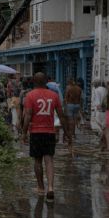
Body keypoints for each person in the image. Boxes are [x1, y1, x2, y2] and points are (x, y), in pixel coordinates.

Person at [22, 72, 66, 202]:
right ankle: (51, 188)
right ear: (46, 81)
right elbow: (61, 115)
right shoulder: (54, 95)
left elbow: (28, 116)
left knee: (37, 161)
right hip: (49, 132)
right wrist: (68, 134)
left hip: (35, 132)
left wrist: (24, 133)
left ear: (34, 82)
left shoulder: (30, 96)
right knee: (49, 160)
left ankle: (41, 188)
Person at [64, 78, 82, 154]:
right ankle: (73, 133)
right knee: (74, 120)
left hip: (70, 105)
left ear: (69, 83)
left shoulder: (69, 89)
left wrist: (65, 105)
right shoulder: (79, 89)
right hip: (77, 105)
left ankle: (70, 135)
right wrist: (81, 108)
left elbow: (66, 97)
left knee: (70, 121)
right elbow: (81, 98)